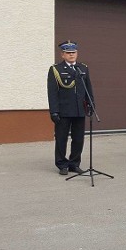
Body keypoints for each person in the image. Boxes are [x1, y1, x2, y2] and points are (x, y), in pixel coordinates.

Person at [47, 40, 94, 176]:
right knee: (61, 138)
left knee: (78, 138)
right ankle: (62, 164)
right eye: (68, 53)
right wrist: (54, 111)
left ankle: (74, 163)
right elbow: (52, 92)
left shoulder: (83, 68)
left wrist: (91, 104)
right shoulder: (56, 69)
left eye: (74, 52)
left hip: (79, 110)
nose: (71, 55)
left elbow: (88, 89)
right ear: (62, 55)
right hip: (64, 111)